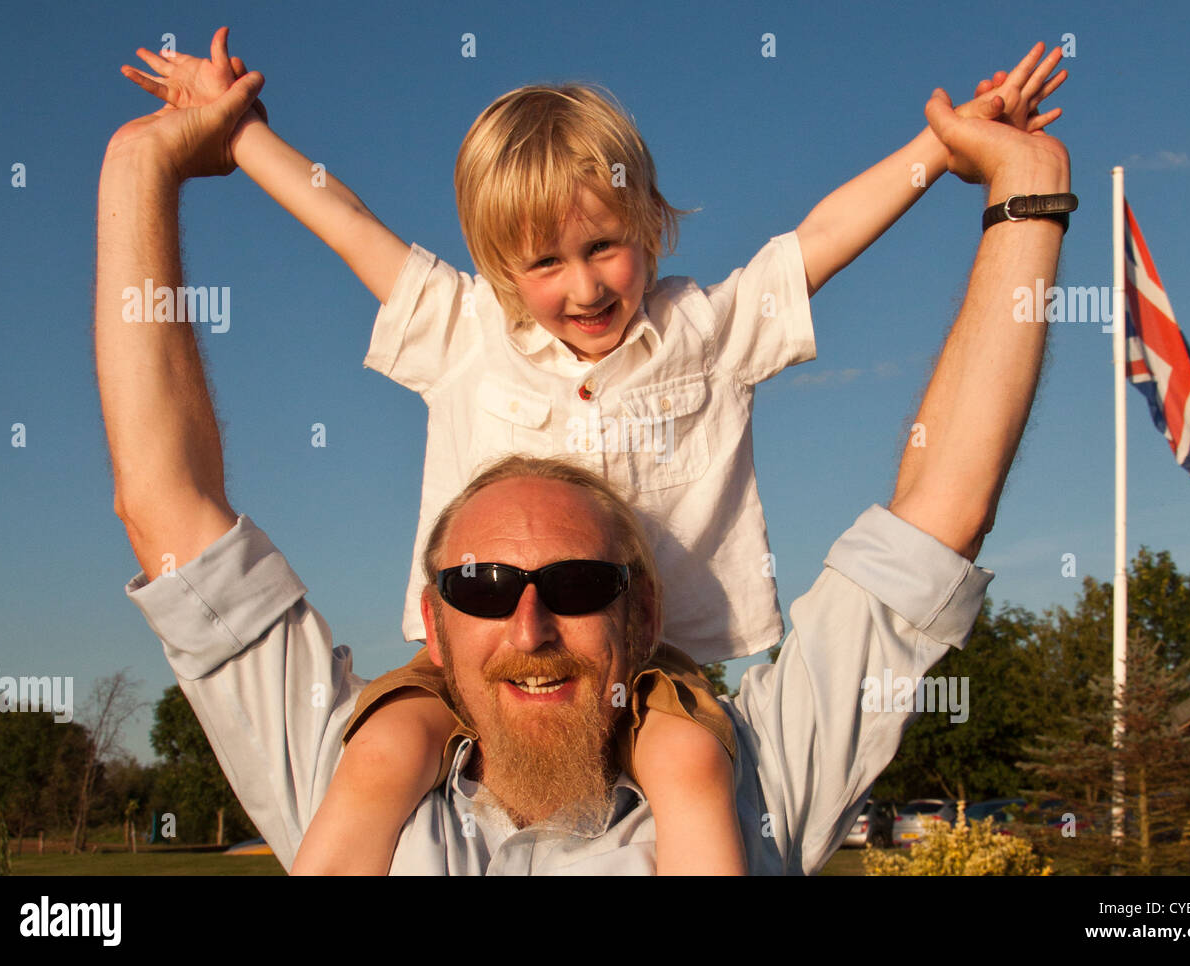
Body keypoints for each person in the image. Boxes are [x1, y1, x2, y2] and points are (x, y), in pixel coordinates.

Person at [94, 30, 1072, 873]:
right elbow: (344, 228)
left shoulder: (704, 331)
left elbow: (825, 257)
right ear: (435, 619)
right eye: (479, 583)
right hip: (437, 707)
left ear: (649, 223)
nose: (529, 623)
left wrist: (956, 163)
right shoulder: (463, 332)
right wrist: (217, 140)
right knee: (382, 749)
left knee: (689, 763)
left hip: (671, 675)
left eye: (605, 247)